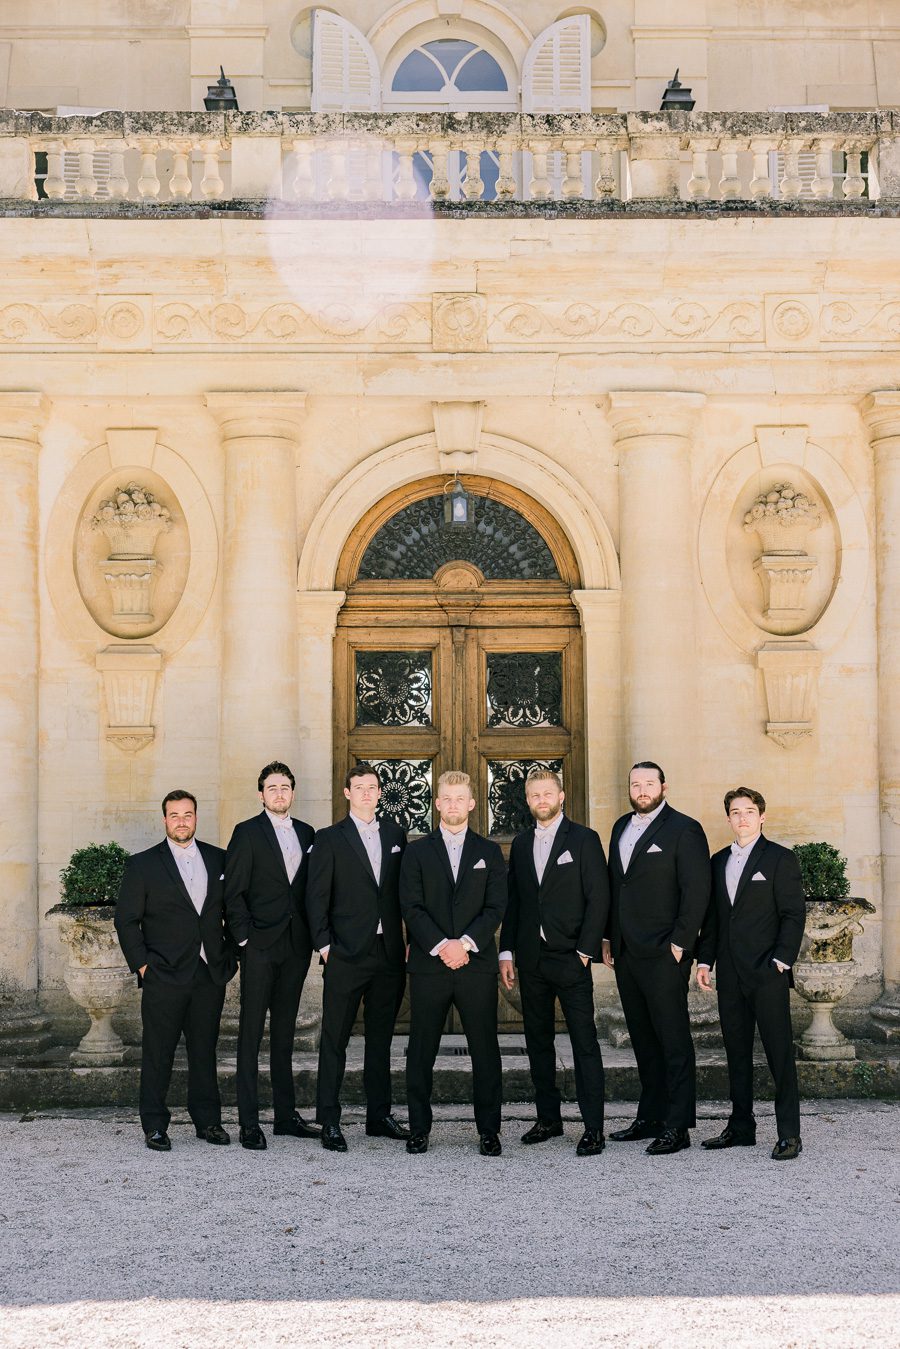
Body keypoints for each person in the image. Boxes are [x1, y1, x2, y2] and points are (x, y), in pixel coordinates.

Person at [114, 790, 236, 1152]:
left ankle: (208, 1121)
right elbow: (126, 920)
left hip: (208, 972)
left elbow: (234, 910)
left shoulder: (219, 859)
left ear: (196, 817)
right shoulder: (143, 865)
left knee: (204, 1051)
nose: (182, 821)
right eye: (175, 815)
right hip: (163, 974)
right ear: (165, 819)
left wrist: (229, 956)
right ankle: (154, 1125)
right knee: (158, 1052)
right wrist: (143, 966)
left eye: (188, 815)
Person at [499, 769, 609, 1156]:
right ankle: (548, 1118)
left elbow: (599, 897)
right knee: (538, 1042)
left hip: (571, 957)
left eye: (547, 793)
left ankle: (594, 1127)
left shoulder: (584, 839)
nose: (541, 800)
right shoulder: (521, 843)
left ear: (561, 796)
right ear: (528, 800)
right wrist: (507, 951)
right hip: (532, 959)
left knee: (584, 1042)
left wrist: (585, 951)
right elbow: (515, 901)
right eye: (534, 795)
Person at [603, 761, 711, 1155]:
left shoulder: (685, 829)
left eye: (649, 783)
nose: (642, 790)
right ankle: (650, 1117)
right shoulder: (620, 827)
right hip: (626, 951)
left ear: (664, 787)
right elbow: (616, 886)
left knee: (672, 1039)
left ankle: (677, 1125)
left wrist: (681, 943)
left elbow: (696, 890)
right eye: (636, 784)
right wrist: (608, 936)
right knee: (643, 1039)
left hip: (665, 952)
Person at [400, 770, 507, 1156]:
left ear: (472, 803)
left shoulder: (489, 852)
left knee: (485, 1049)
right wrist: (441, 945)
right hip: (430, 966)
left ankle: (489, 1130)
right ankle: (418, 1128)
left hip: (475, 965)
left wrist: (464, 944)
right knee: (421, 1049)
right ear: (437, 803)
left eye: (460, 798)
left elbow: (496, 907)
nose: (453, 804)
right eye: (446, 798)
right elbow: (410, 906)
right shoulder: (416, 852)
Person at [697, 787, 806, 1161]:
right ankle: (741, 1127)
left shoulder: (780, 859)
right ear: (728, 818)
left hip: (767, 973)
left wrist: (780, 961)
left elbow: (793, 914)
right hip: (730, 974)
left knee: (779, 1054)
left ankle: (789, 1134)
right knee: (736, 1052)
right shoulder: (717, 861)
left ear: (762, 816)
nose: (742, 817)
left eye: (748, 811)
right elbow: (713, 919)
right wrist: (704, 961)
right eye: (735, 812)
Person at [306, 762, 410, 1152]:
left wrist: (409, 940)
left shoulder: (396, 834)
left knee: (380, 1040)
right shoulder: (329, 838)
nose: (367, 793)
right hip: (345, 954)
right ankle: (329, 1121)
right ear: (347, 793)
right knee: (334, 1040)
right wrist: (325, 946)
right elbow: (315, 896)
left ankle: (378, 1116)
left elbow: (405, 891)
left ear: (380, 792)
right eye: (359, 787)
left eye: (372, 787)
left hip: (388, 954)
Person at [224, 760, 319, 1151]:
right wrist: (245, 940)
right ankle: (249, 1122)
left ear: (293, 792)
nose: (279, 793)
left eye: (285, 787)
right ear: (261, 794)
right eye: (272, 788)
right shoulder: (246, 833)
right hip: (260, 946)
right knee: (250, 1034)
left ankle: (285, 1116)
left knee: (284, 1033)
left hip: (296, 947)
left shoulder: (307, 833)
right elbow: (233, 893)